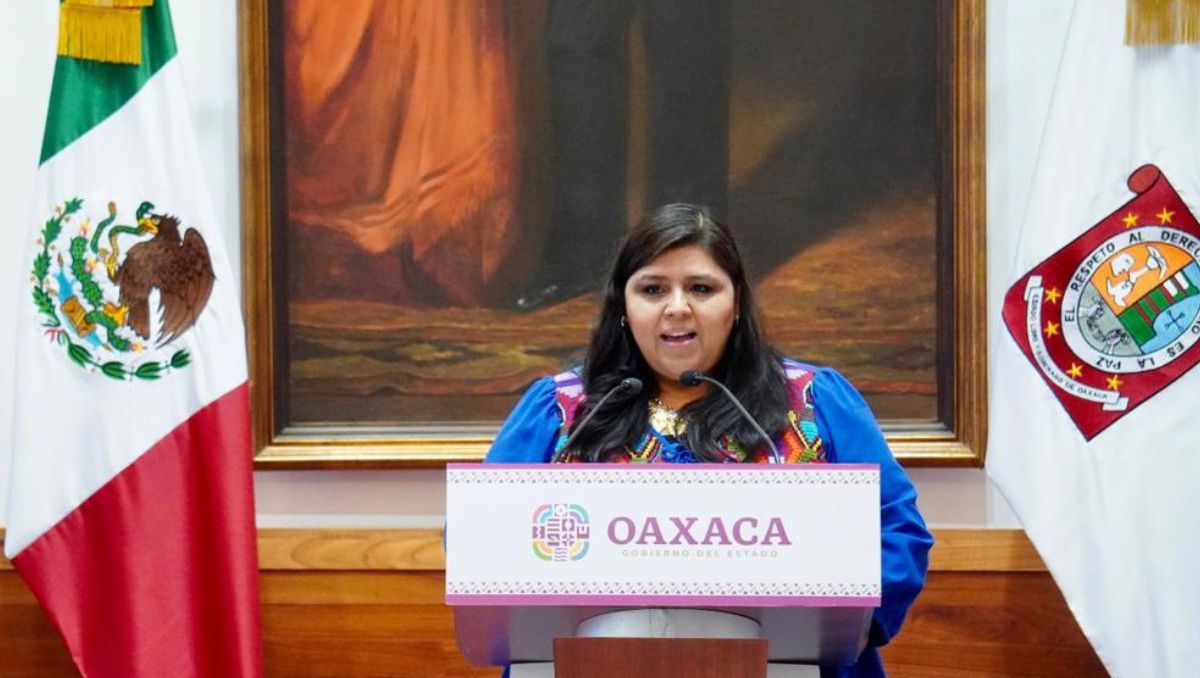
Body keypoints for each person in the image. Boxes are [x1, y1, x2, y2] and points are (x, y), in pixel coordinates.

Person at [486, 203, 932, 676]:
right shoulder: (559, 410)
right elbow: (484, 536)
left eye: (701, 288)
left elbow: (897, 531)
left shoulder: (816, 402)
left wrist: (841, 624)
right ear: (624, 308)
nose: (677, 307)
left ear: (736, 304)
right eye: (653, 289)